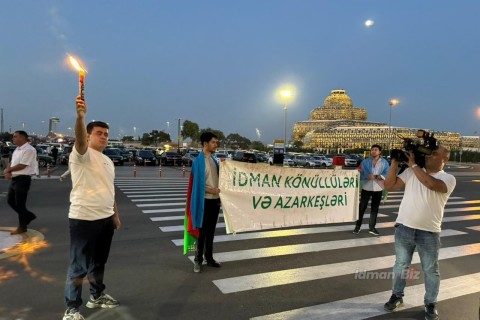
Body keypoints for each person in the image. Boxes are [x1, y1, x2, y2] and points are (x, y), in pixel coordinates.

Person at [63, 96, 121, 320]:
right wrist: (80, 117)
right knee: (78, 266)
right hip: (84, 219)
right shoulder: (81, 155)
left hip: (105, 219)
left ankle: (96, 296)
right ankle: (71, 309)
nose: (104, 137)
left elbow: (109, 189)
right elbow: (78, 140)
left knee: (99, 262)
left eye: (106, 134)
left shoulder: (107, 160)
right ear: (88, 135)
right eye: (99, 133)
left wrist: (115, 215)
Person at [383, 146, 456, 320]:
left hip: (429, 232)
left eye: (435, 154)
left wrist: (413, 165)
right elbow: (389, 185)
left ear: (444, 160)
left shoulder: (448, 178)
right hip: (404, 227)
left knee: (430, 270)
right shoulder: (411, 172)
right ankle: (397, 296)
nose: (430, 156)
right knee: (401, 265)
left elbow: (430, 184)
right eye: (430, 153)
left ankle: (430, 303)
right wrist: (394, 162)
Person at [190, 132, 221, 273]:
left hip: (215, 202)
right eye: (213, 142)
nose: (216, 144)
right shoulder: (198, 162)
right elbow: (198, 185)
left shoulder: (215, 160)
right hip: (204, 202)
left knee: (211, 232)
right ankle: (197, 260)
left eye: (216, 142)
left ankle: (209, 258)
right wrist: (211, 191)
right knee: (201, 232)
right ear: (205, 144)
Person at [3, 131, 37, 235]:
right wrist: (8, 170)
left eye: (15, 137)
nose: (13, 138)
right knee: (10, 201)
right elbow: (11, 162)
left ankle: (22, 227)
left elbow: (23, 165)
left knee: (20, 204)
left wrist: (8, 171)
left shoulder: (29, 150)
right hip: (15, 179)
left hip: (23, 179)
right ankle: (28, 216)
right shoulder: (17, 149)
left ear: (22, 138)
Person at [353, 144, 390, 236]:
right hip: (366, 187)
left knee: (374, 209)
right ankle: (357, 227)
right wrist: (366, 175)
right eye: (372, 150)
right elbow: (361, 171)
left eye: (376, 150)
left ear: (379, 152)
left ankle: (372, 228)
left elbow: (387, 172)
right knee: (361, 208)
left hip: (378, 188)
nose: (373, 151)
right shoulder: (365, 161)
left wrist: (378, 176)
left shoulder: (384, 162)